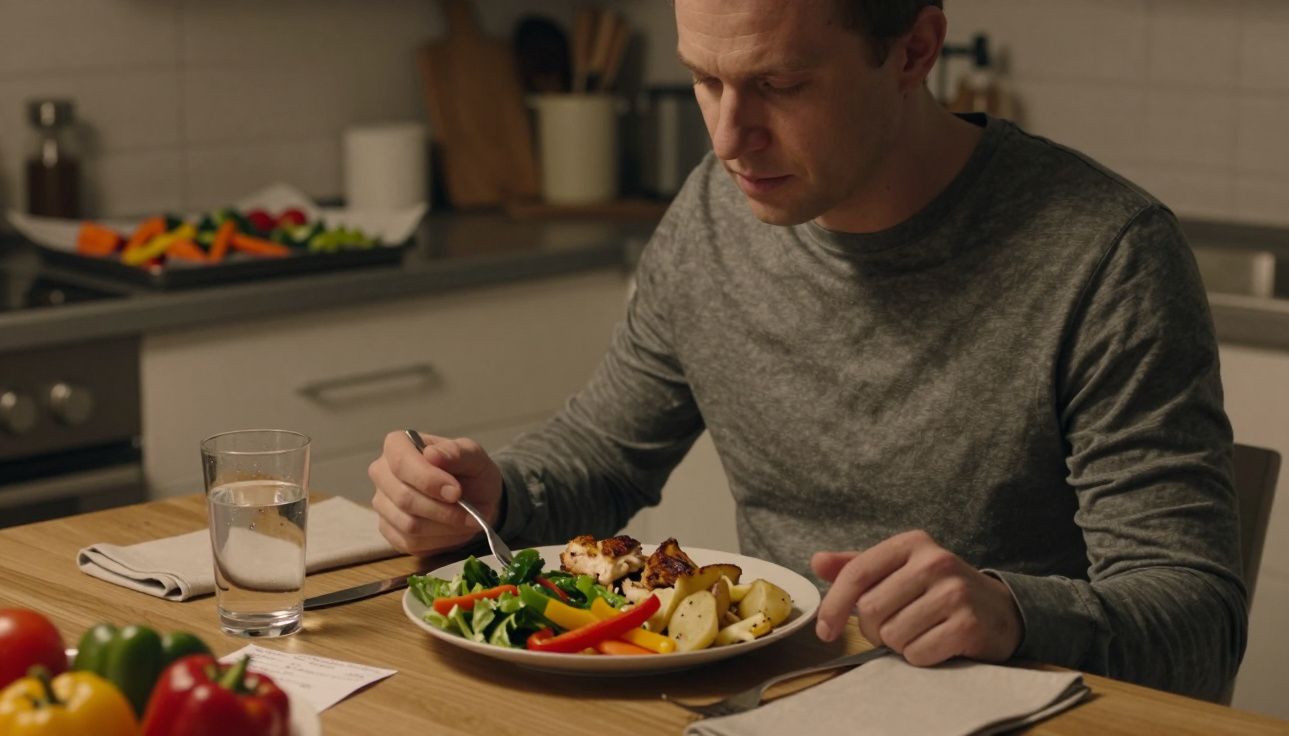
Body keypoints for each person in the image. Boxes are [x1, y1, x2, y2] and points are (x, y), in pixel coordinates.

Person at [370, 0, 1245, 701]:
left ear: (913, 50)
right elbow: (604, 453)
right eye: (704, 80)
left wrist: (1012, 611)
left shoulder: (1106, 256)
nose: (727, 138)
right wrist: (495, 493)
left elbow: (1197, 627)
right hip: (772, 705)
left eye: (780, 84)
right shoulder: (715, 213)